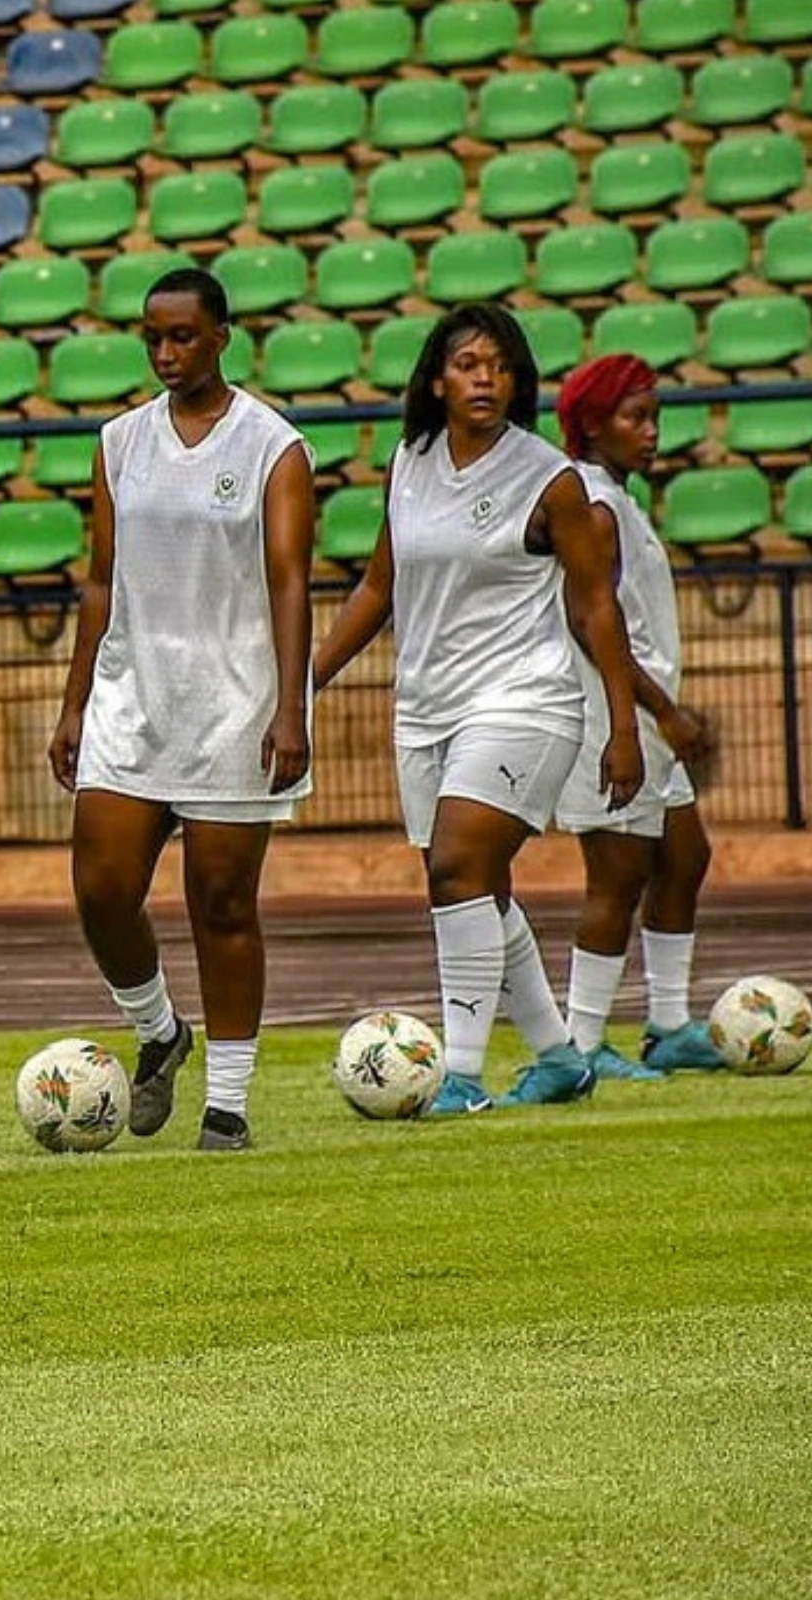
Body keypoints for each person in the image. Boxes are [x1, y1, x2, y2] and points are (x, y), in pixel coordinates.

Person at [313, 305, 644, 1115]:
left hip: (526, 700)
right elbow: (378, 588)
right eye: (468, 364)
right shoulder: (410, 460)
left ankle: (457, 1075)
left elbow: (598, 608)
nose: (485, 377)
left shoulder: (550, 479)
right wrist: (303, 680)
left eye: (499, 365)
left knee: (455, 868)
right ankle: (560, 1058)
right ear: (436, 378)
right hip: (426, 707)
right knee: (479, 888)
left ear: (518, 381)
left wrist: (625, 727)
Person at [46, 269, 316, 1151]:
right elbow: (99, 579)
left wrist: (290, 707)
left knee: (222, 903)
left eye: (184, 337)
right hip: (133, 697)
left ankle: (228, 1107)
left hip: (236, 705)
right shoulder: (119, 441)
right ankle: (160, 1028)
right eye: (153, 338)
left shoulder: (273, 446)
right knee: (102, 890)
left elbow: (288, 581)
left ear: (221, 336)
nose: (166, 353)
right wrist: (75, 700)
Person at [551, 356, 723, 1075]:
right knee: (617, 879)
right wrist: (660, 713)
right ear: (592, 426)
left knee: (685, 856)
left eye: (654, 416)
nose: (651, 433)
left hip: (649, 722)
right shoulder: (593, 502)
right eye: (635, 417)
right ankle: (582, 1044)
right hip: (613, 719)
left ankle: (669, 1021)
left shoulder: (618, 497)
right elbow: (585, 618)